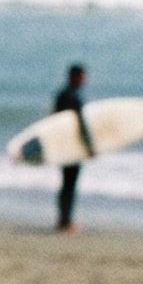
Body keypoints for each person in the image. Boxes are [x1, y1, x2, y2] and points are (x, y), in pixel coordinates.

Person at [51, 63, 93, 231]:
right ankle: (65, 221)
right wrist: (89, 146)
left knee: (66, 183)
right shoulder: (73, 97)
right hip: (71, 146)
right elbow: (80, 125)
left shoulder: (61, 95)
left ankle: (63, 219)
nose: (85, 79)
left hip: (63, 144)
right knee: (69, 183)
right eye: (83, 76)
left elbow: (55, 121)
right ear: (75, 76)